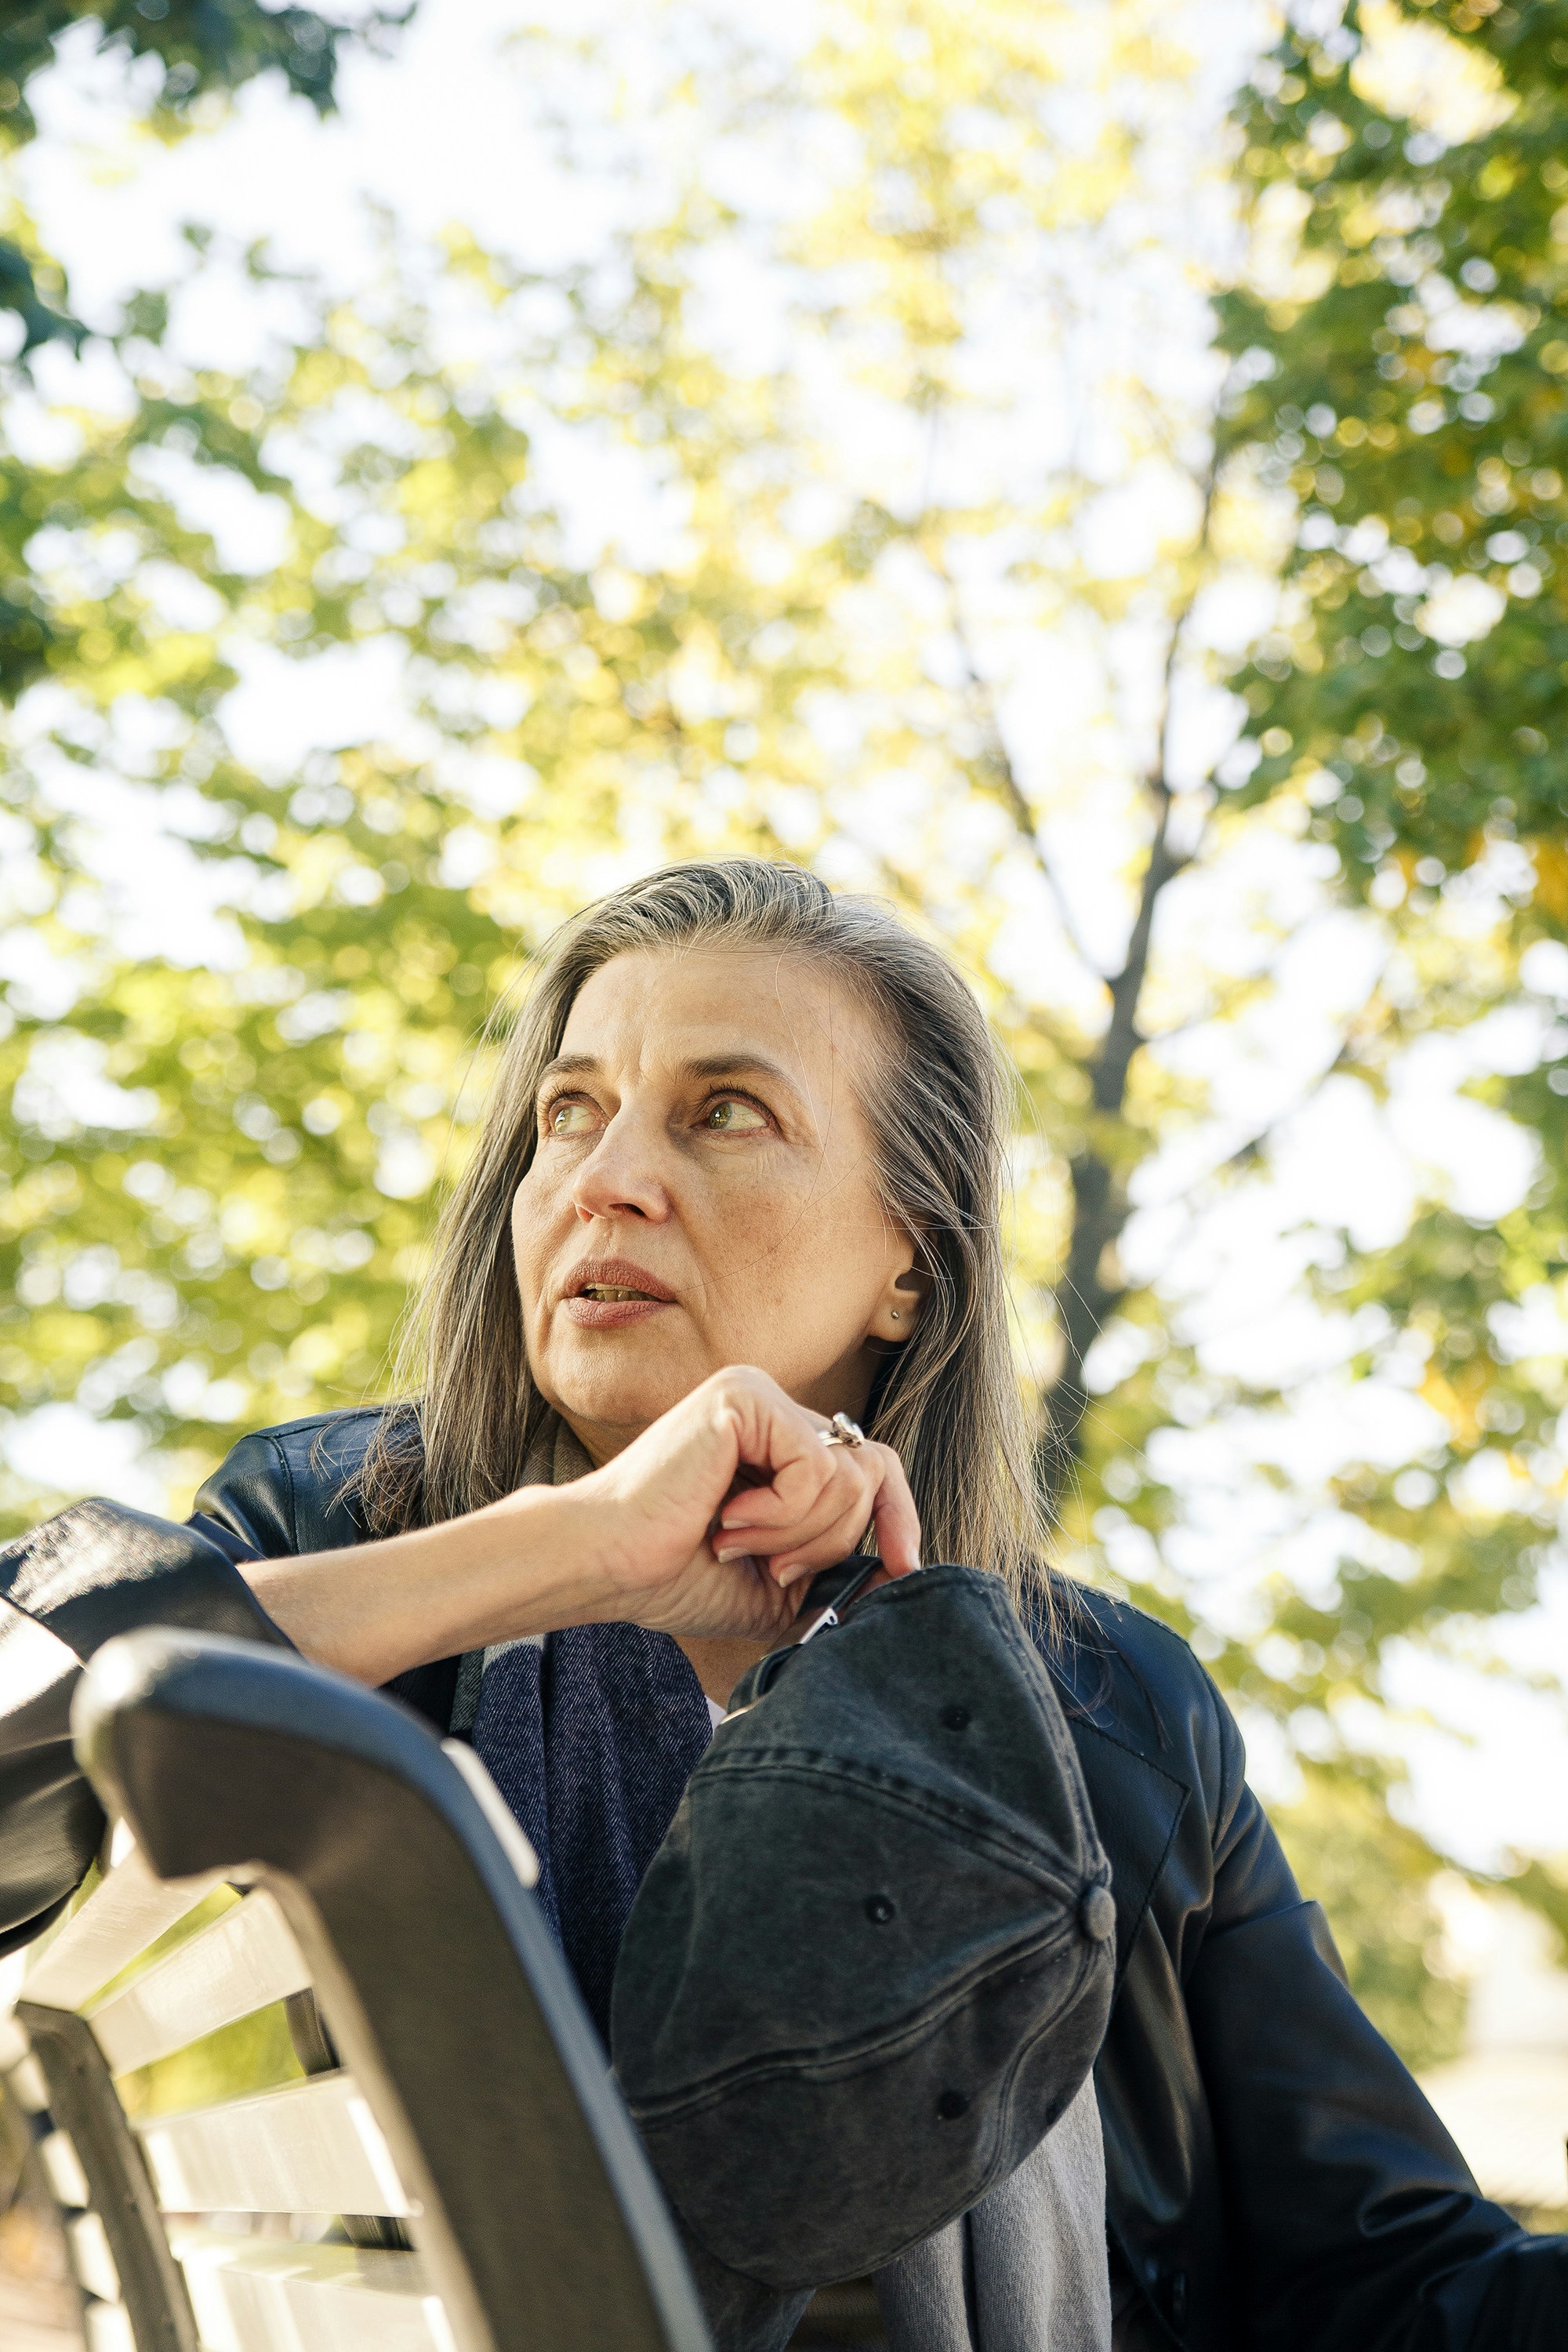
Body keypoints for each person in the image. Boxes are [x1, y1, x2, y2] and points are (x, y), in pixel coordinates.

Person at [0, 857, 1563, 2350]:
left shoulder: (1113, 1708)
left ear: (911, 1261)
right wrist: (576, 1546)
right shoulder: (348, 1532)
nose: (604, 1181)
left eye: (723, 1114)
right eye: (570, 1112)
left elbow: (1385, 2280)